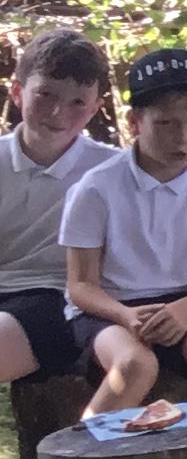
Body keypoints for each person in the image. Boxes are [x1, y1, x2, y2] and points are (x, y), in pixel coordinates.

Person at [61, 46, 187, 411]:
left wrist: (184, 311)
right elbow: (81, 286)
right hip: (111, 310)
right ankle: (86, 442)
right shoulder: (96, 187)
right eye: (166, 124)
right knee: (135, 366)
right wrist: (125, 315)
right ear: (135, 122)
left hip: (184, 304)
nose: (182, 138)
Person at [0, 26, 116, 389]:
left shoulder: (112, 172)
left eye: (77, 102)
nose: (58, 112)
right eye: (45, 95)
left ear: (96, 107)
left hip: (57, 300)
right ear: (17, 91)